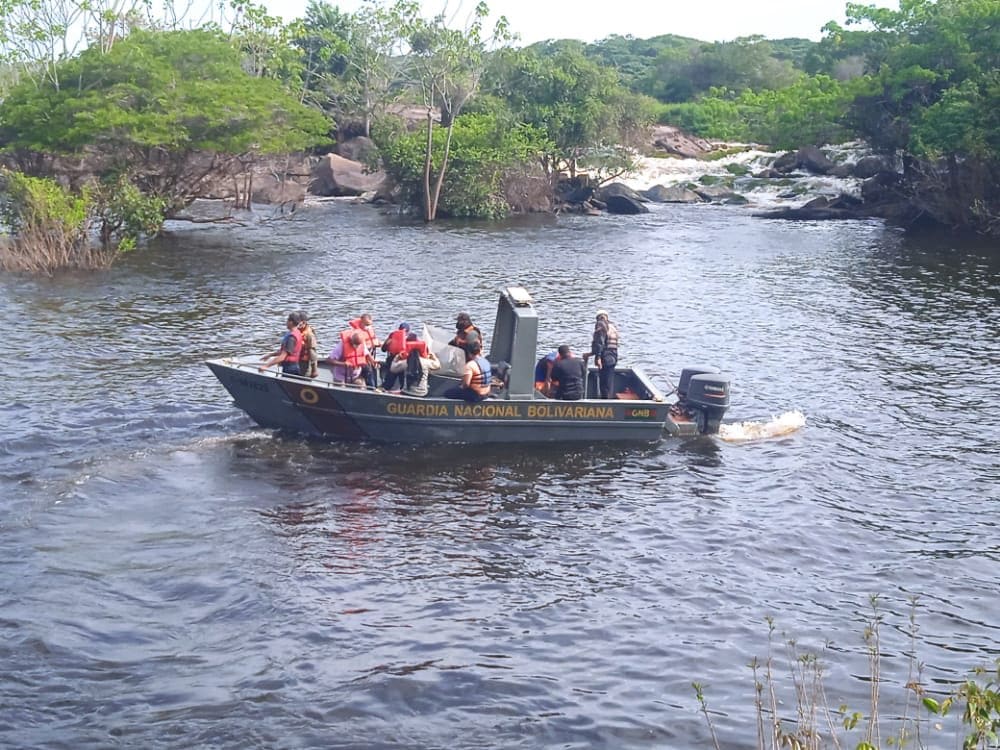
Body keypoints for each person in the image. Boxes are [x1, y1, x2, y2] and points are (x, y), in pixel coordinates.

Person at [586, 309, 620, 398]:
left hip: (605, 356)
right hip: (614, 356)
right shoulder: (613, 326)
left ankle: (606, 402)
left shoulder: (601, 324)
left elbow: (599, 342)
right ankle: (608, 399)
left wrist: (598, 357)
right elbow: (608, 343)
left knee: (604, 382)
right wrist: (591, 353)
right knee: (608, 381)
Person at [348, 313, 381, 388]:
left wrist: (378, 343)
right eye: (366, 324)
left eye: (369, 324)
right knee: (368, 372)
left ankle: (373, 387)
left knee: (373, 371)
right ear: (361, 321)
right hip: (362, 357)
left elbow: (374, 340)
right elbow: (361, 347)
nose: (367, 326)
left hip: (371, 355)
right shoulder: (356, 333)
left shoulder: (370, 329)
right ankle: (371, 389)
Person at [380, 322, 411, 390]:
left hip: (397, 360)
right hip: (400, 361)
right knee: (400, 378)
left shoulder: (393, 335)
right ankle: (401, 390)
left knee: (391, 379)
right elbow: (383, 349)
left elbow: (383, 349)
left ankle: (386, 388)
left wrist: (386, 343)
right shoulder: (410, 337)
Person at [296, 311, 319, 378]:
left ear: (304, 322)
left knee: (304, 379)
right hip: (297, 361)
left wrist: (314, 370)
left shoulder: (309, 334)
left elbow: (312, 352)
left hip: (305, 363)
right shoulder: (297, 331)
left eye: (297, 321)